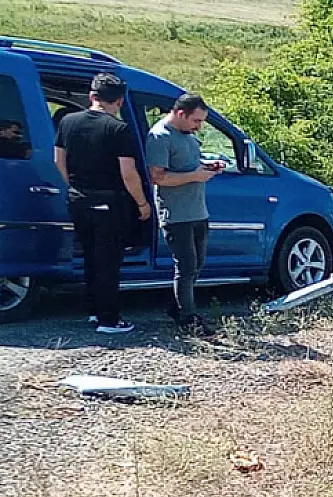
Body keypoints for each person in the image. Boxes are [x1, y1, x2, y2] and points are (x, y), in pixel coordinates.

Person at [54, 73, 150, 334]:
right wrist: (142, 203)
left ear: (91, 96)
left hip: (79, 198)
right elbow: (128, 173)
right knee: (108, 261)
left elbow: (58, 160)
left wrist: (73, 186)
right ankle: (109, 319)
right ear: (119, 101)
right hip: (109, 201)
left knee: (90, 257)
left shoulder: (67, 122)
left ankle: (94, 311)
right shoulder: (118, 129)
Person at [145, 93, 223, 335]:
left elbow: (189, 164)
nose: (199, 127)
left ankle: (178, 306)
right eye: (196, 121)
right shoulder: (160, 136)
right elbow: (157, 177)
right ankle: (188, 319)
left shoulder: (187, 136)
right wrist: (194, 176)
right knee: (186, 266)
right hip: (176, 214)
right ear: (181, 114)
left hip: (198, 210)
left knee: (197, 264)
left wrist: (207, 167)